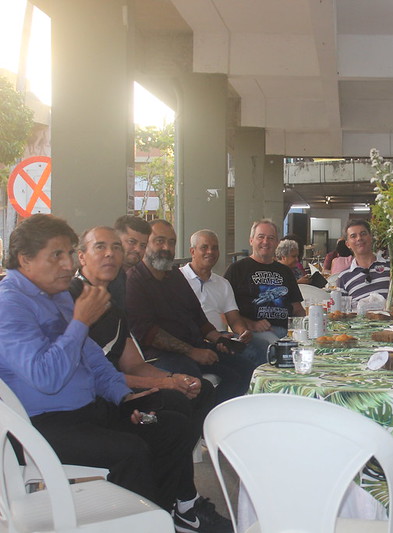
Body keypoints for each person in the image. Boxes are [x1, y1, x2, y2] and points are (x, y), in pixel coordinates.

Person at [0, 215, 222, 529]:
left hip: (88, 410)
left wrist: (125, 397)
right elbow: (45, 378)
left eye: (68, 253)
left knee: (171, 425)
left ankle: (163, 514)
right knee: (131, 451)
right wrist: (80, 323)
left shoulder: (59, 296)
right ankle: (147, 521)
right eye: (57, 255)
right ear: (25, 259)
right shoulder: (10, 304)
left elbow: (94, 360)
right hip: (43, 426)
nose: (66, 264)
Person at [68, 226, 230, 532]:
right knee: (174, 420)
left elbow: (135, 364)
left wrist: (174, 379)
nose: (111, 254)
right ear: (81, 256)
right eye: (101, 247)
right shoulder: (71, 299)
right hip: (96, 403)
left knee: (196, 392)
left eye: (117, 248)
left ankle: (175, 503)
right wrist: (167, 383)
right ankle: (176, 504)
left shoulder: (112, 304)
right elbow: (92, 374)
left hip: (117, 391)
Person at [126, 219, 257, 404]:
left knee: (245, 369)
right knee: (195, 380)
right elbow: (148, 333)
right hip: (160, 355)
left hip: (194, 346)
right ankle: (204, 422)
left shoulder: (174, 275)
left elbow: (197, 316)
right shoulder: (134, 280)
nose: (166, 247)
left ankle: (216, 419)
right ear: (145, 243)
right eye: (159, 240)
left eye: (171, 242)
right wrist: (192, 352)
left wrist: (217, 338)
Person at [179, 229, 267, 365]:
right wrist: (215, 338)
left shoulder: (223, 283)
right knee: (246, 363)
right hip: (193, 339)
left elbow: (233, 318)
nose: (210, 252)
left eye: (215, 248)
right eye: (204, 247)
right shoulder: (178, 279)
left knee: (263, 348)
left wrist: (243, 332)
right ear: (192, 251)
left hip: (223, 337)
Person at [224, 219, 305, 343]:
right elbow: (223, 313)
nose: (266, 242)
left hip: (286, 331)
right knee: (275, 344)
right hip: (254, 333)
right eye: (260, 237)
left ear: (277, 243)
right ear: (251, 240)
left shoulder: (285, 271)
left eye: (271, 238)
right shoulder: (236, 269)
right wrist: (252, 325)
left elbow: (297, 309)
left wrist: (306, 330)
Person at [336, 219, 391, 302]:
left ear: (371, 237)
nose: (359, 238)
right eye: (353, 236)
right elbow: (342, 311)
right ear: (348, 244)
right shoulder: (344, 277)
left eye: (363, 234)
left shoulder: (391, 267)